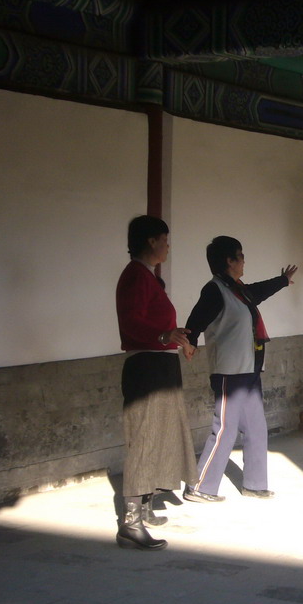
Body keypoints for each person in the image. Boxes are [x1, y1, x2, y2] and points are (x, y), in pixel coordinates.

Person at [183, 236, 297, 501]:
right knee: (224, 428)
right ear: (229, 261)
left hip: (250, 368)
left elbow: (258, 292)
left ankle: (254, 484)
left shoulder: (238, 290)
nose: (244, 260)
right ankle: (199, 486)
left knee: (256, 427)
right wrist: (188, 342)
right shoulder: (214, 290)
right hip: (229, 371)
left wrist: (282, 281)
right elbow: (195, 320)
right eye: (240, 256)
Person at [114, 215, 198, 551]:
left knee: (161, 435)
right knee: (145, 438)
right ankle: (130, 523)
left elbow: (158, 325)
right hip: (147, 367)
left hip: (161, 364)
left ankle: (146, 506)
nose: (168, 245)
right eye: (165, 238)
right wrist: (164, 334)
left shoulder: (148, 277)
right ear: (151, 241)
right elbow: (131, 321)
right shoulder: (135, 275)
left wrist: (179, 340)